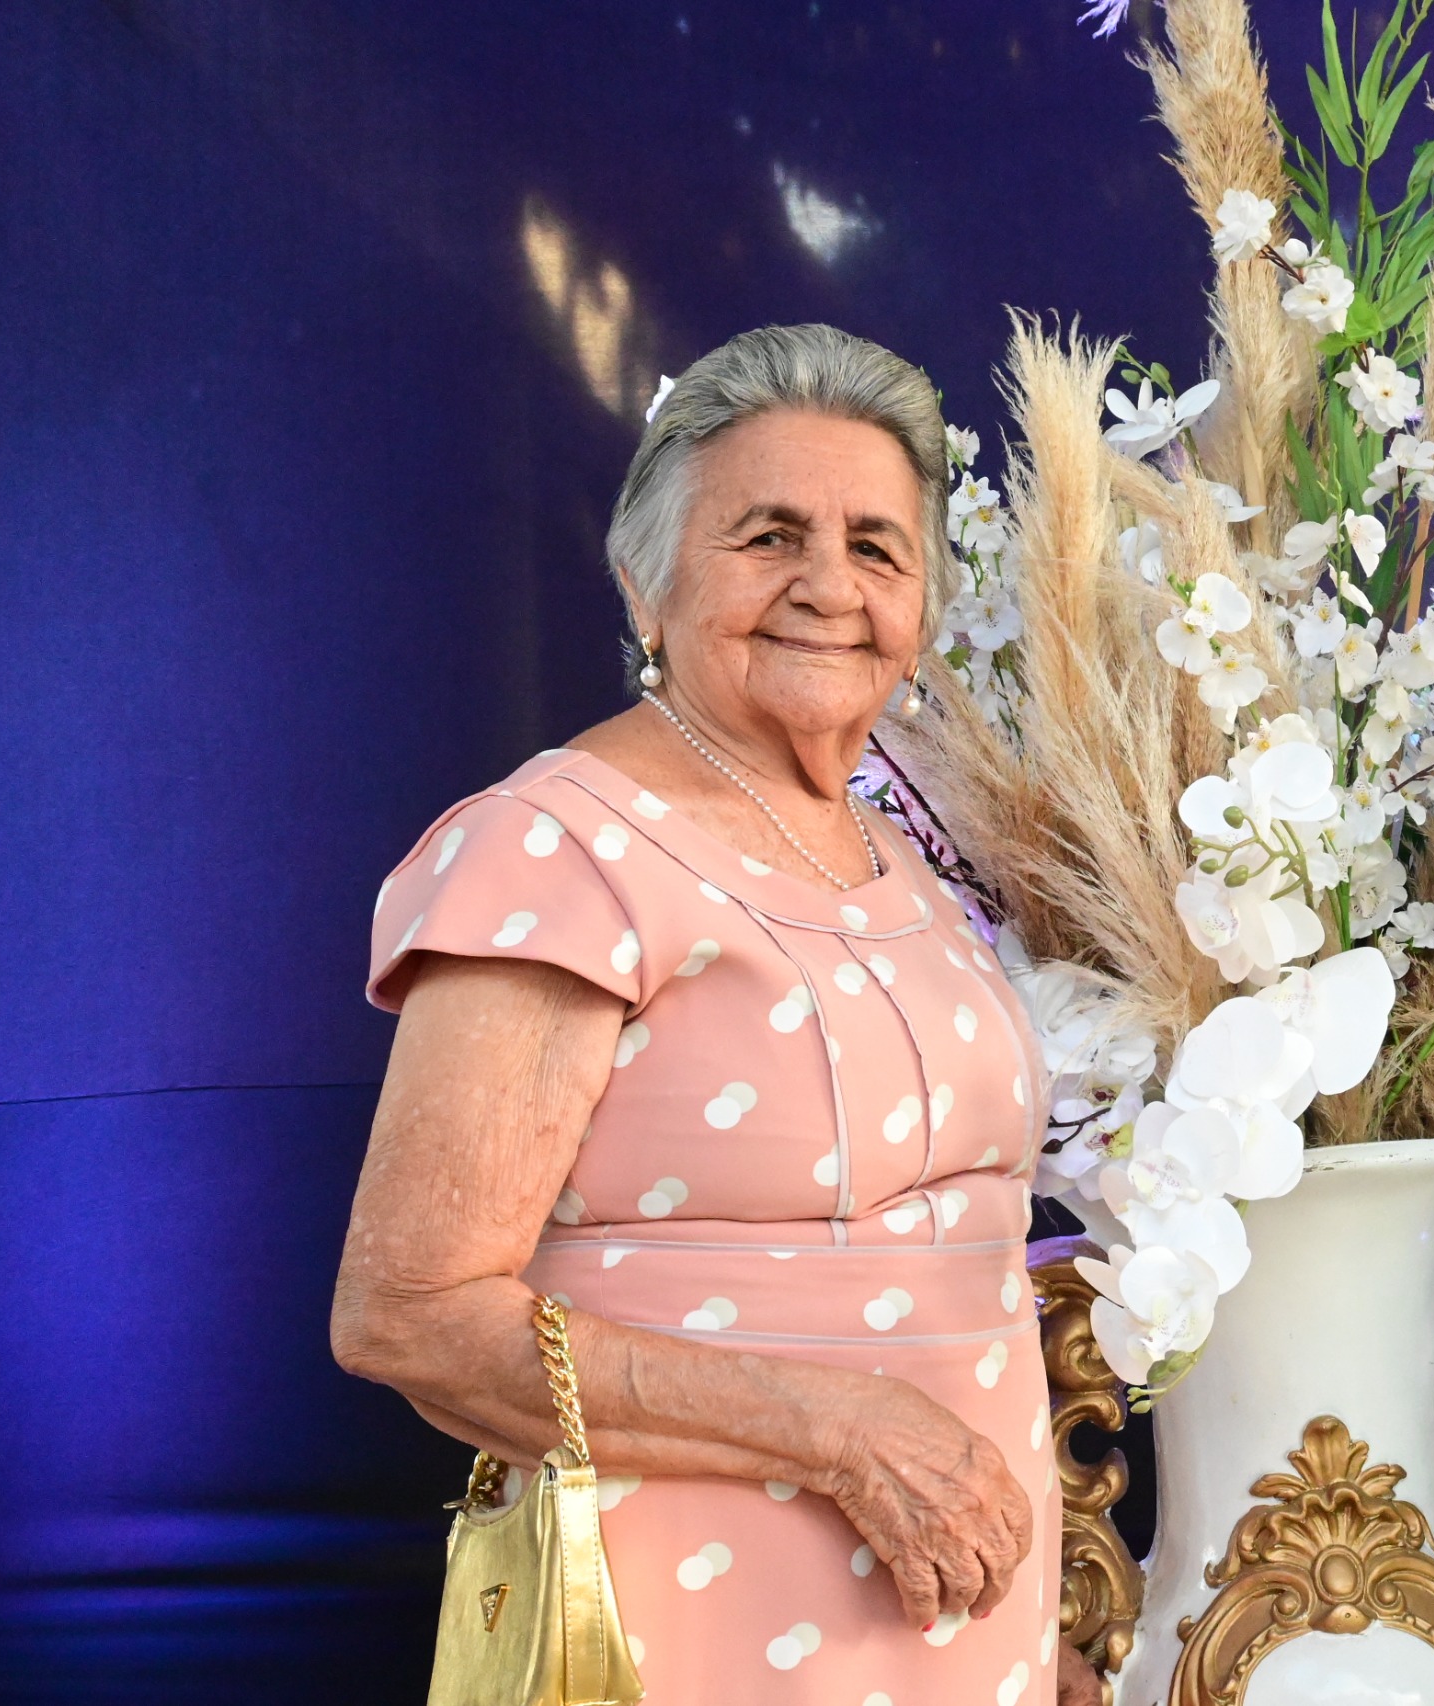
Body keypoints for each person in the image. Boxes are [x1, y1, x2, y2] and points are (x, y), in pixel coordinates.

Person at [332, 323, 1102, 1705]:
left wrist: (1040, 1650)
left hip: (965, 1644)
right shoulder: (559, 849)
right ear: (648, 585)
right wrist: (840, 1427)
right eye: (769, 536)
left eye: (877, 547)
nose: (830, 585)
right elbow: (410, 1313)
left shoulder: (901, 856)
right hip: (695, 1636)